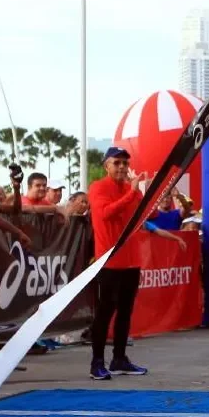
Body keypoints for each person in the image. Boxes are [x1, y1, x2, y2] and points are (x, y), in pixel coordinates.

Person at [87, 146, 149, 380]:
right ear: (106, 166)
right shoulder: (98, 187)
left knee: (125, 313)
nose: (122, 167)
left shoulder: (129, 190)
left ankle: (119, 358)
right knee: (104, 313)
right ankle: (97, 362)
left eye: (125, 163)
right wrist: (132, 193)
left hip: (131, 261)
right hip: (109, 262)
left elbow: (146, 215)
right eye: (117, 163)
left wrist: (144, 192)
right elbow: (105, 214)